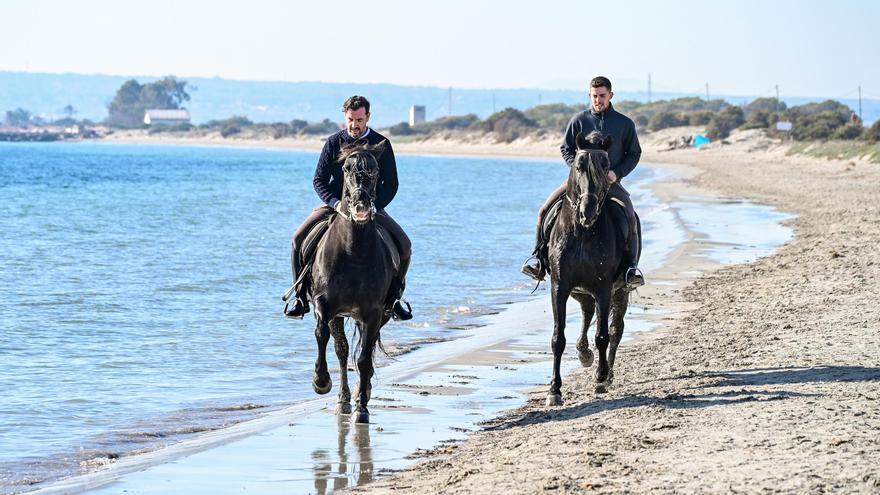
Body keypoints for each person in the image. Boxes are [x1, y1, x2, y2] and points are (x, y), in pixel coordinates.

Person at [284, 95, 413, 320]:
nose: (354, 125)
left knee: (405, 245)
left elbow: (391, 184)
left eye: (359, 120)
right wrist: (335, 203)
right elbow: (319, 180)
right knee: (297, 239)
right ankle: (300, 297)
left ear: (368, 117)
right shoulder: (333, 142)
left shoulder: (382, 144)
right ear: (345, 117)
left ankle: (394, 299)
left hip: (371, 207)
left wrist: (375, 207)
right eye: (350, 120)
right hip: (336, 206)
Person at [521, 76, 645, 289]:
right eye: (594, 96)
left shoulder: (624, 123)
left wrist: (616, 173)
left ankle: (630, 270)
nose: (598, 100)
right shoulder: (578, 120)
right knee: (543, 211)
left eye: (602, 96)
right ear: (590, 95)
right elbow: (566, 149)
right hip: (578, 183)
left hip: (610, 183)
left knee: (631, 216)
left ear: (611, 95)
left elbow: (634, 153)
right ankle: (539, 261)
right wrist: (578, 170)